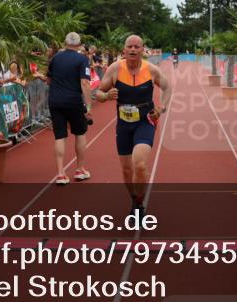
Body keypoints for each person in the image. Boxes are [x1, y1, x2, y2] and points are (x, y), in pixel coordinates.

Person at [95, 35, 172, 217]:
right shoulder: (115, 69)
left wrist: (161, 108)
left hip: (145, 121)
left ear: (142, 50)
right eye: (129, 46)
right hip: (123, 124)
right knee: (126, 169)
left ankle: (139, 204)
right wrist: (105, 97)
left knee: (139, 163)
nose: (132, 49)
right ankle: (134, 199)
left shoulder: (151, 70)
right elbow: (98, 92)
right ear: (124, 50)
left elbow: (167, 87)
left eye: (137, 47)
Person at [47, 32, 93, 185]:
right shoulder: (82, 59)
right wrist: (88, 105)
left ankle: (60, 173)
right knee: (80, 133)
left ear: (65, 43)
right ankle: (80, 169)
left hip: (55, 100)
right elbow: (85, 83)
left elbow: (49, 79)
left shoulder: (55, 58)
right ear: (79, 45)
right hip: (73, 101)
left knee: (60, 136)